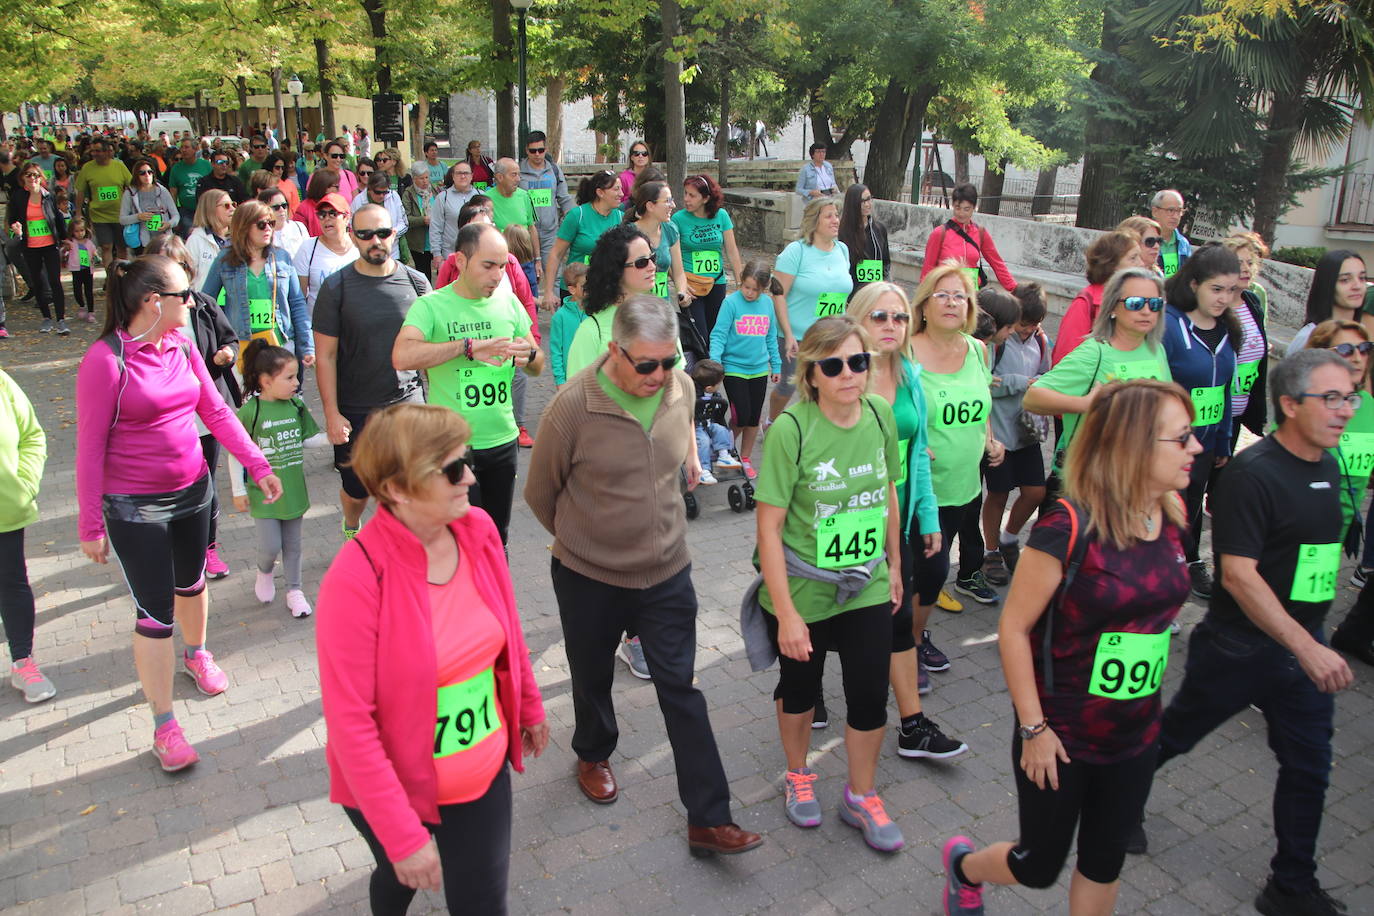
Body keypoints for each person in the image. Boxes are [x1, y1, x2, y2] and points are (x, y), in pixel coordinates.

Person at [942, 379, 1198, 916]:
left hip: (1136, 731)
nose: (1196, 447)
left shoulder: (1171, 512)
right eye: (1182, 438)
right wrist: (1034, 730)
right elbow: (1013, 630)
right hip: (1063, 734)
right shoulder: (1069, 524)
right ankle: (964, 868)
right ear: (1133, 445)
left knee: (1105, 862)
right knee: (1038, 865)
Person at [524, 295, 763, 857]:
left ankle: (709, 817)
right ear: (615, 351)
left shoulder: (679, 388)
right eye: (646, 364)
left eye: (669, 361)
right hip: (589, 575)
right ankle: (593, 751)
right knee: (591, 675)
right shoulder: (572, 407)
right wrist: (587, 539)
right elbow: (540, 494)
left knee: (682, 687)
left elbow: (677, 464)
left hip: (666, 572)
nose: (660, 376)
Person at [1137, 349, 1357, 916]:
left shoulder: (1328, 464)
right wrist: (1308, 646)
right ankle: (1116, 802)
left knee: (1310, 765)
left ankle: (1291, 884)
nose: (1344, 410)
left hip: (1303, 647)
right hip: (1241, 649)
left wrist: (1311, 640)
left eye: (1349, 396)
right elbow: (1237, 573)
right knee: (1174, 736)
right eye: (1329, 398)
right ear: (1288, 404)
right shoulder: (1252, 475)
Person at [316, 403, 548, 914]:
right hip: (392, 785)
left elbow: (508, 628)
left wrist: (528, 706)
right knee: (400, 875)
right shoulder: (354, 580)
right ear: (397, 489)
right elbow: (351, 724)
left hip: (480, 775)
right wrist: (402, 836)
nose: (469, 476)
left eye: (464, 460)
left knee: (483, 902)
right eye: (450, 469)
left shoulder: (478, 530)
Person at [76, 256, 282, 771]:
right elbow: (88, 447)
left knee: (192, 585)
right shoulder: (105, 361)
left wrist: (256, 465)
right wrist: (90, 524)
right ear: (153, 302)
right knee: (154, 615)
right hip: (134, 508)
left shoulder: (183, 345)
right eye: (183, 295)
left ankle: (198, 654)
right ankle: (164, 726)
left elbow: (213, 410)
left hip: (193, 490)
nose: (192, 302)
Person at [749, 312, 911, 851]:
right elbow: (768, 530)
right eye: (834, 364)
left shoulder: (881, 415)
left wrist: (893, 564)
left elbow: (888, 490)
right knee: (801, 691)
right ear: (811, 374)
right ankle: (798, 774)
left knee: (868, 694)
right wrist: (788, 614)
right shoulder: (791, 431)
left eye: (859, 362)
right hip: (803, 590)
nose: (850, 373)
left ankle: (861, 795)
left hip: (864, 582)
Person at [839, 283, 967, 747]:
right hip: (846, 521)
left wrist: (928, 515)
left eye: (899, 317)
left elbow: (916, 456)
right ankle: (806, 683)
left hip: (901, 519)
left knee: (896, 618)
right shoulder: (840, 374)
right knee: (832, 615)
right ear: (857, 321)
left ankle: (912, 724)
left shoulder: (911, 375)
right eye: (879, 317)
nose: (891, 326)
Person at [394, 223, 542, 546]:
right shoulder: (431, 306)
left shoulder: (509, 303)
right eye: (488, 265)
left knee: (496, 538)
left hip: (502, 440)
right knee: (462, 540)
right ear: (461, 261)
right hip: (453, 446)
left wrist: (528, 356)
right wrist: (467, 348)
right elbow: (402, 356)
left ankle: (497, 597)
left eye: (502, 266)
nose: (497, 275)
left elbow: (537, 363)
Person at [314, 202, 431, 540]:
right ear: (353, 236)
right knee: (356, 490)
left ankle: (401, 546)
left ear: (394, 234)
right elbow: (326, 356)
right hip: (355, 406)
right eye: (365, 234)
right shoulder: (336, 288)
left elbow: (431, 346)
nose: (375, 240)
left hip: (406, 402)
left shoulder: (417, 282)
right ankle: (352, 525)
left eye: (382, 232)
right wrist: (332, 414)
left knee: (409, 483)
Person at [908, 265, 1006, 640]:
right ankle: (909, 642)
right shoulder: (906, 349)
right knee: (928, 573)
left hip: (964, 486)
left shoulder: (978, 350)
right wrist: (912, 441)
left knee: (932, 574)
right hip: (920, 490)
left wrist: (989, 439)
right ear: (925, 305)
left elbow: (981, 405)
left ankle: (912, 636)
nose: (951, 302)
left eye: (959, 296)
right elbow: (882, 408)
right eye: (942, 295)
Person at [1026, 268, 1172, 502]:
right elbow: (1033, 397)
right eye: (1135, 303)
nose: (1146, 311)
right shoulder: (1094, 352)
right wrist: (1084, 404)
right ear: (1113, 307)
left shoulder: (1156, 350)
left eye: (1154, 304)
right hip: (1092, 484)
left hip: (1138, 478)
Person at [143, 234, 241, 582]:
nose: (176, 279)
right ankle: (172, 552)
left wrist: (227, 354)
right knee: (170, 488)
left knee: (207, 485)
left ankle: (207, 550)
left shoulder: (203, 304)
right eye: (164, 269)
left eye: (181, 268)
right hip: (165, 423)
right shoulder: (140, 318)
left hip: (204, 414)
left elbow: (229, 338)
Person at [1162, 244, 1242, 600]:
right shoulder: (1170, 325)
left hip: (1206, 447)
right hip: (1169, 447)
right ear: (1194, 284)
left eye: (1231, 290)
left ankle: (1186, 564)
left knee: (1190, 512)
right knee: (1167, 513)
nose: (1224, 298)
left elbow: (1224, 391)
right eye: (1216, 289)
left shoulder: (1228, 330)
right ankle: (1162, 576)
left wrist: (1224, 441)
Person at [232, 340, 319, 618]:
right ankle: (264, 570)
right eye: (289, 377)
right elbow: (236, 453)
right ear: (266, 381)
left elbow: (309, 440)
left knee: (294, 545)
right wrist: (237, 490)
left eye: (296, 377)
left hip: (293, 489)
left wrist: (335, 437)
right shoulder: (250, 412)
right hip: (264, 493)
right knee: (270, 546)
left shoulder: (296, 405)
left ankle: (295, 591)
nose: (296, 383)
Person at [981, 283, 1051, 586]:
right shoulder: (995, 343)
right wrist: (1021, 382)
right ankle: (991, 550)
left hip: (1027, 431)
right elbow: (984, 384)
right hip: (999, 434)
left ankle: (1010, 538)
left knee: (1036, 491)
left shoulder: (1041, 341)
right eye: (1021, 326)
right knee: (998, 493)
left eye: (1033, 327)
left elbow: (1047, 375)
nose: (1026, 332)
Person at [202, 199, 314, 376]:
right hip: (243, 345)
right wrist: (221, 341)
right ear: (244, 227)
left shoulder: (282, 257)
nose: (268, 228)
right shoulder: (225, 259)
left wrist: (307, 346)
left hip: (280, 341)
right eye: (262, 224)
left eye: (271, 223)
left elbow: (297, 303)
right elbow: (206, 302)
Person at [768, 198, 854, 423]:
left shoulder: (842, 250)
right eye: (829, 216)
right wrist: (787, 334)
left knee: (826, 386)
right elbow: (778, 295)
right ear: (814, 221)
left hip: (833, 336)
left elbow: (840, 294)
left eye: (836, 215)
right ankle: (772, 423)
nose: (835, 220)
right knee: (788, 387)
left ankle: (817, 431)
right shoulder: (796, 252)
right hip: (798, 336)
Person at [1, 368, 54, 703]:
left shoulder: (2, 382)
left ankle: (23, 662)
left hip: (5, 510)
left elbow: (32, 435)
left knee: (12, 583)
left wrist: (24, 486)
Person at [710, 259, 781, 475]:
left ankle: (745, 457)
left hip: (758, 368)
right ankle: (722, 449)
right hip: (733, 367)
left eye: (755, 290)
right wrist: (715, 364)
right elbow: (719, 334)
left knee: (753, 417)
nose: (749, 293)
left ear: (764, 288)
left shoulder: (767, 304)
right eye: (746, 287)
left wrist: (775, 365)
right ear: (741, 283)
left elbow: (771, 337)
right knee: (741, 415)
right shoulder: (731, 303)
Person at [563, 223, 659, 377]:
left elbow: (676, 386)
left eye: (653, 258)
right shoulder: (591, 331)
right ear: (616, 271)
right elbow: (576, 396)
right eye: (642, 262)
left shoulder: (662, 319)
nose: (652, 266)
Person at [1051, 230, 1144, 365]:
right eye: (1133, 258)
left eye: (1140, 257)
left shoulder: (1139, 300)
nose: (1141, 264)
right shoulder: (1085, 303)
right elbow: (1066, 362)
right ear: (1113, 265)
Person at [541, 170, 623, 310]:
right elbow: (556, 254)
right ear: (600, 192)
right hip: (576, 290)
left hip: (607, 290)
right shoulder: (577, 215)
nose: (621, 194)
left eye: (621, 189)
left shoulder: (621, 218)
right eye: (616, 189)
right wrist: (548, 291)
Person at [671, 174, 743, 334]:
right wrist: (681, 286)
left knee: (716, 333)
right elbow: (670, 256)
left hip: (717, 282)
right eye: (685, 194)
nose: (686, 199)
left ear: (705, 198)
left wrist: (740, 283)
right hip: (691, 286)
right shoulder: (677, 219)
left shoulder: (721, 215)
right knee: (699, 336)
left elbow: (732, 250)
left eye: (692, 195)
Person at [1221, 233, 1271, 449]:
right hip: (1217, 412)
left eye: (1249, 262)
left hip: (1241, 410)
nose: (1245, 268)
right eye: (1238, 262)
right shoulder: (1217, 306)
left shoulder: (1252, 302)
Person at [7, 162, 69, 334]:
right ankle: (46, 318)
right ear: (23, 179)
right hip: (30, 246)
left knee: (55, 282)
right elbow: (12, 218)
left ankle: (61, 320)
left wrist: (65, 239)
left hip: (50, 245)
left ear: (41, 178)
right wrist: (16, 226)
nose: (32, 178)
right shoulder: (18, 196)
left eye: (35, 175)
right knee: (38, 282)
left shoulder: (48, 196)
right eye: (29, 175)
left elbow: (58, 219)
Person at [920, 182, 1017, 291]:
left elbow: (997, 264)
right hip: (946, 292)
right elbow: (927, 269)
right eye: (957, 207)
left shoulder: (980, 233)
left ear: (974, 208)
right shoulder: (940, 233)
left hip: (971, 294)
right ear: (953, 206)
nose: (961, 213)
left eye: (966, 209)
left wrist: (1016, 289)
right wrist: (924, 298)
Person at [1288, 249, 1367, 354]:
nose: (1357, 286)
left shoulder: (1362, 332)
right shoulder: (1309, 337)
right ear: (1327, 285)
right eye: (1345, 280)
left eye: (1362, 278)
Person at [74, 137, 132, 273]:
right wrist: (78, 212)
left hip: (120, 214)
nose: (94, 153)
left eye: (98, 151)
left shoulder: (119, 166)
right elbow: (80, 191)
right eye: (92, 151)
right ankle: (110, 276)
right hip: (99, 215)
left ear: (107, 151)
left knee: (121, 247)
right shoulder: (87, 168)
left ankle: (121, 274)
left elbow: (131, 187)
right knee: (106, 246)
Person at [291, 192, 358, 312]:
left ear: (347, 218)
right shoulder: (308, 248)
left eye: (333, 214)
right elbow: (298, 297)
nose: (326, 219)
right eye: (322, 214)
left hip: (354, 325)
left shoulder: (360, 246)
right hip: (318, 326)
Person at [628, 180, 690, 308]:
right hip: (635, 309)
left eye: (671, 200)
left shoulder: (670, 230)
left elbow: (679, 272)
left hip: (662, 308)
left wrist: (682, 292)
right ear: (650, 206)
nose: (673, 205)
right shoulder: (627, 234)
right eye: (667, 201)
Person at [519, 130, 575, 271]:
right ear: (526, 150)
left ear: (546, 149)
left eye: (540, 150)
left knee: (554, 273)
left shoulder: (554, 170)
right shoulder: (518, 172)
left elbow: (564, 198)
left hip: (550, 233)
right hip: (525, 234)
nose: (537, 154)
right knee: (526, 276)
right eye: (533, 151)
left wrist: (571, 218)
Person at [688, 360, 743, 485]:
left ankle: (724, 455)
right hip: (694, 427)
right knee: (704, 441)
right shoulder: (692, 395)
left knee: (722, 430)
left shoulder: (715, 394)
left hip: (708, 423)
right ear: (709, 387)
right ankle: (703, 471)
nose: (720, 386)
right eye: (719, 383)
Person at [838, 183, 890, 293]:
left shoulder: (880, 229)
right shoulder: (841, 231)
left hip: (875, 292)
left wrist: (885, 285)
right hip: (850, 294)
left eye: (869, 199)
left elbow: (886, 262)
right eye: (863, 201)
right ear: (853, 203)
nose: (867, 204)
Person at [118, 157, 178, 252]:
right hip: (142, 241)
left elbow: (176, 216)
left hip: (163, 240)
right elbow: (122, 219)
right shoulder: (130, 193)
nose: (147, 175)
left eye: (150, 172)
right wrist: (138, 217)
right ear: (136, 175)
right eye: (142, 173)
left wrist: (169, 224)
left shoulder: (162, 190)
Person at [488, 158, 539, 265]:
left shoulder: (525, 196)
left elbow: (532, 228)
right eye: (513, 175)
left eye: (518, 175)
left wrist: (537, 259)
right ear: (500, 177)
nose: (518, 179)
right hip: (499, 262)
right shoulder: (486, 200)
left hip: (525, 261)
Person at [350, 171, 407, 259]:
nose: (381, 196)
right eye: (377, 192)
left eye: (385, 192)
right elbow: (353, 228)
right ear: (369, 189)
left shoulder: (394, 197)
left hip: (392, 252)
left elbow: (404, 223)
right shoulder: (358, 201)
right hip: (368, 252)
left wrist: (389, 234)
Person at [429, 161, 479, 262]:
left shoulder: (480, 196)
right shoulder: (443, 198)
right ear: (453, 176)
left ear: (472, 176)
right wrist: (437, 253)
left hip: (477, 254)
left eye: (466, 173)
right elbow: (436, 227)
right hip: (450, 255)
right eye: (459, 173)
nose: (463, 176)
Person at [186, 189, 235, 291]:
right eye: (226, 205)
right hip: (205, 303)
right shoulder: (195, 240)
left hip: (232, 303)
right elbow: (187, 279)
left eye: (233, 204)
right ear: (211, 209)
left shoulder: (239, 238)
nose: (232, 209)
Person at [550, 261, 589, 387]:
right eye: (585, 286)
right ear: (572, 289)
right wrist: (560, 380)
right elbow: (556, 351)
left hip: (593, 378)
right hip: (570, 379)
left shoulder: (596, 312)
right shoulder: (560, 317)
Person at [168, 139, 211, 238]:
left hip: (206, 210)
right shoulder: (176, 169)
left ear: (196, 149)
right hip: (186, 211)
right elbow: (173, 193)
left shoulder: (206, 165)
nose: (183, 150)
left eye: (186, 147)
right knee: (191, 235)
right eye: (181, 147)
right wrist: (174, 215)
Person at [401, 162, 437, 279]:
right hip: (419, 243)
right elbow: (406, 218)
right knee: (424, 274)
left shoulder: (435, 190)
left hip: (435, 239)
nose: (425, 181)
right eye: (421, 178)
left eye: (427, 177)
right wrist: (422, 220)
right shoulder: (408, 194)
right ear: (414, 178)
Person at [63, 217, 100, 323]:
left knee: (89, 291)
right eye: (76, 231)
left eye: (82, 230)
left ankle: (91, 312)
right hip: (76, 270)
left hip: (88, 270)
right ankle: (82, 306)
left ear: (86, 230)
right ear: (72, 232)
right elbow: (64, 253)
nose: (80, 233)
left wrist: (97, 257)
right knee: (77, 291)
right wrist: (65, 250)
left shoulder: (89, 242)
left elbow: (94, 251)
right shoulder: (71, 243)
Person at [1149, 189, 1192, 277]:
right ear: (1155, 211)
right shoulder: (1145, 241)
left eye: (1179, 211)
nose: (1175, 216)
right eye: (1170, 210)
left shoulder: (1183, 244)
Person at [259, 187, 307, 258]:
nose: (282, 210)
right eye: (276, 207)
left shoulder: (299, 227)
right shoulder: (263, 233)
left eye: (284, 205)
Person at [260, 152, 301, 216]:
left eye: (282, 168)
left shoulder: (289, 183)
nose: (280, 171)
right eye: (277, 167)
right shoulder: (264, 183)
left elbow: (296, 206)